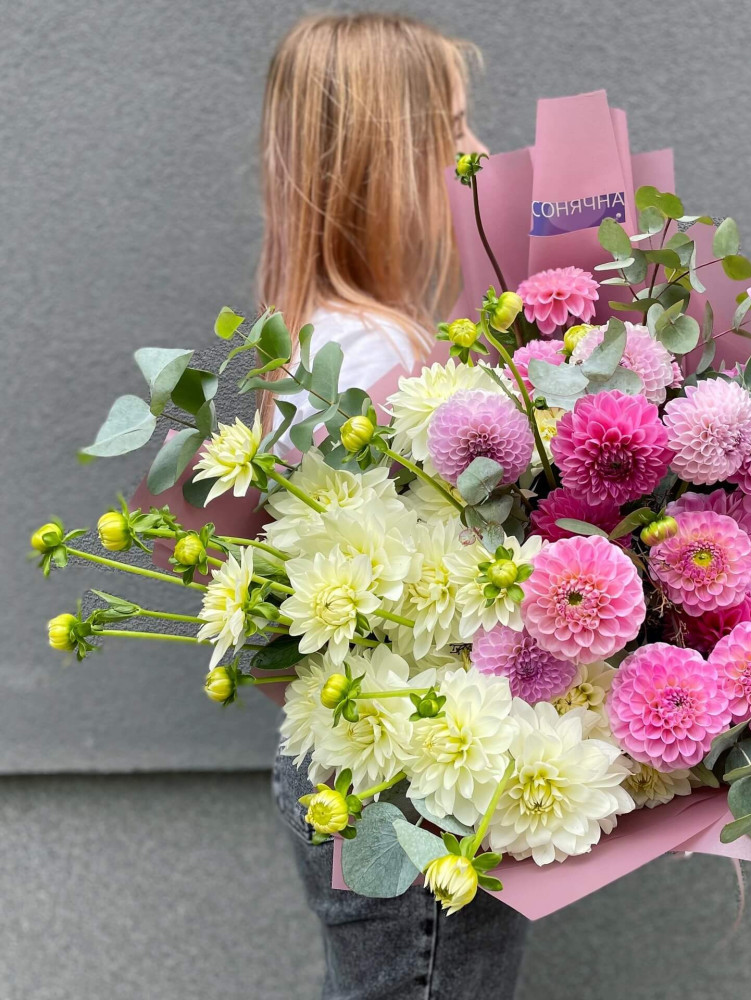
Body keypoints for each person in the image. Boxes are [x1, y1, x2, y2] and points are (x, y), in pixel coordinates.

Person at [255, 13, 529, 1000]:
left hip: (362, 765)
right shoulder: (373, 360)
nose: (479, 150)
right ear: (384, 158)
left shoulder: (320, 337)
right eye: (452, 130)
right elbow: (424, 594)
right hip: (404, 787)